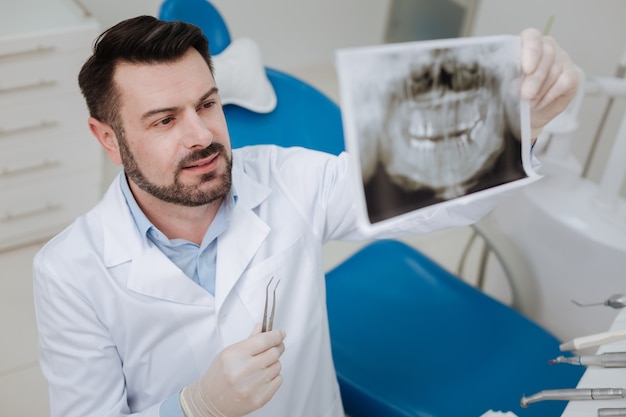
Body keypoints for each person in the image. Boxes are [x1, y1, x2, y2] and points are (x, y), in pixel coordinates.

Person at [33, 15, 579, 417]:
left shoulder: (284, 178)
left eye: (207, 104)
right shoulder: (69, 272)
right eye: (163, 120)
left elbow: (427, 191)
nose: (201, 136)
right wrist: (195, 408)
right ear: (108, 138)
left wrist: (522, 114)